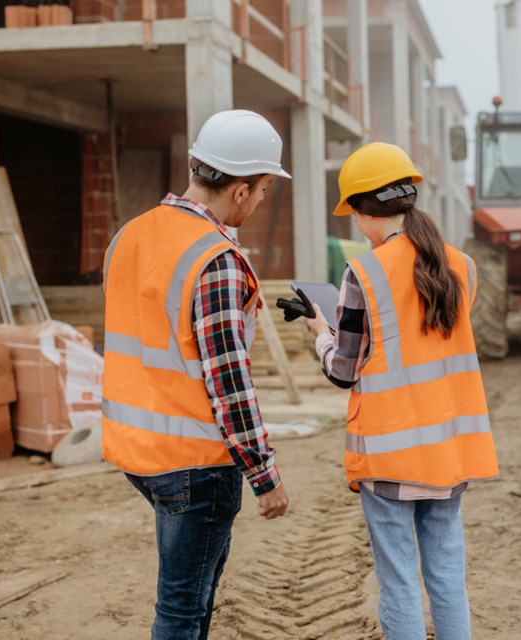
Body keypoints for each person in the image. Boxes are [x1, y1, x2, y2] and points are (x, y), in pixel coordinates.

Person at [293, 142, 499, 639]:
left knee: (400, 582)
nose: (356, 225)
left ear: (365, 210)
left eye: (353, 215)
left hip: (390, 455)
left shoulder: (363, 272)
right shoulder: (462, 267)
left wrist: (320, 334)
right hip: (449, 451)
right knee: (448, 579)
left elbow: (345, 369)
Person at [101, 109, 291, 640]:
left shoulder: (129, 236)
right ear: (238, 190)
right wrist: (264, 476)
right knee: (183, 608)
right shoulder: (216, 258)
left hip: (137, 451)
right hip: (196, 463)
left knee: (189, 598)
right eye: (261, 192)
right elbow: (229, 380)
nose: (258, 203)